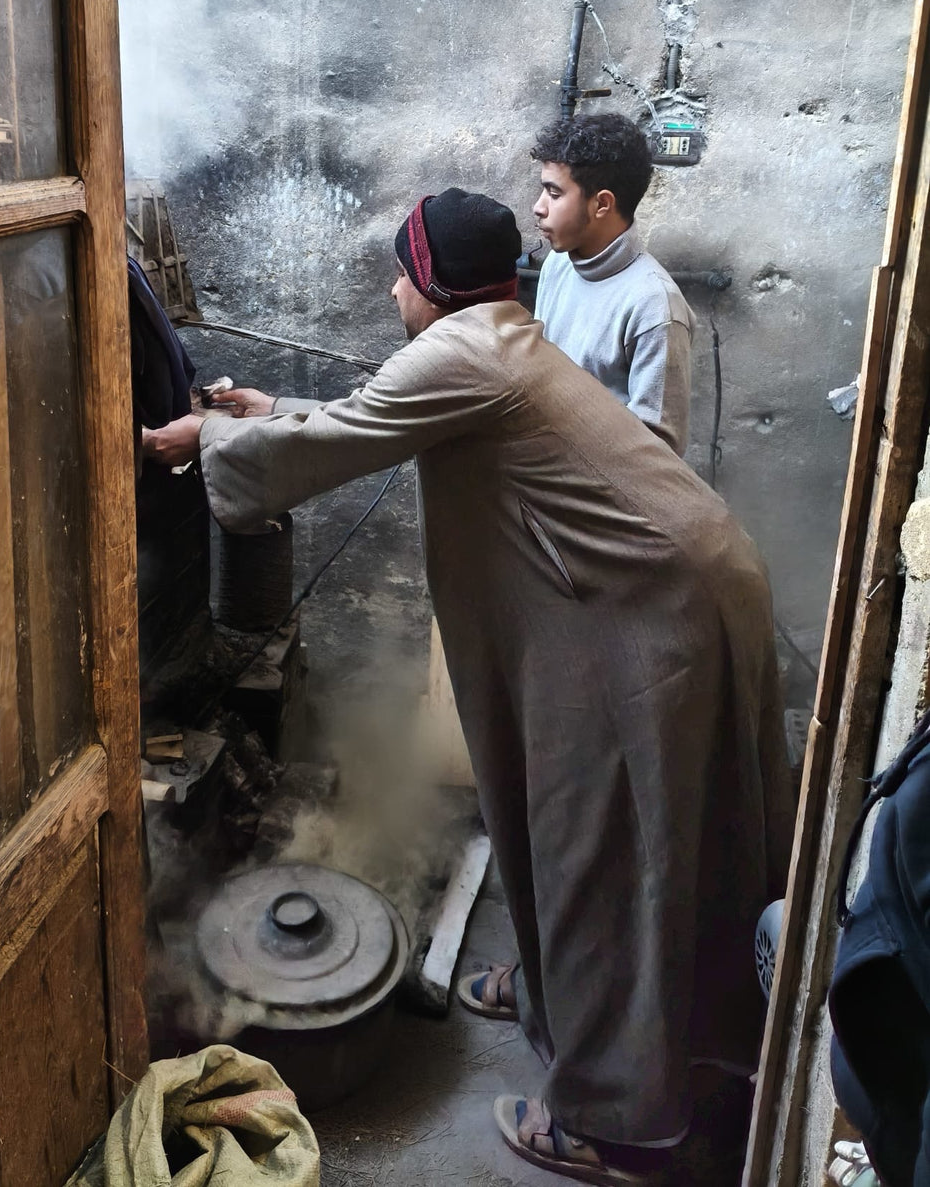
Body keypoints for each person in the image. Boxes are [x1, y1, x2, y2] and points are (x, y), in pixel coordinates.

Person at [143, 188, 792, 1184]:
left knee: (602, 840)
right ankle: (553, 1002)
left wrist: (208, 439)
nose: (394, 288)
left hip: (659, 615)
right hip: (655, 590)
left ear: (429, 284)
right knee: (557, 811)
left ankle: (614, 1120)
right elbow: (370, 417)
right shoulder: (492, 337)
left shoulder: (462, 354)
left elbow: (339, 444)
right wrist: (270, 415)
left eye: (402, 272)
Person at [532, 112, 696, 455]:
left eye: (554, 193)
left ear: (602, 203)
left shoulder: (655, 305)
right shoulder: (558, 264)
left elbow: (657, 451)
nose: (539, 207)